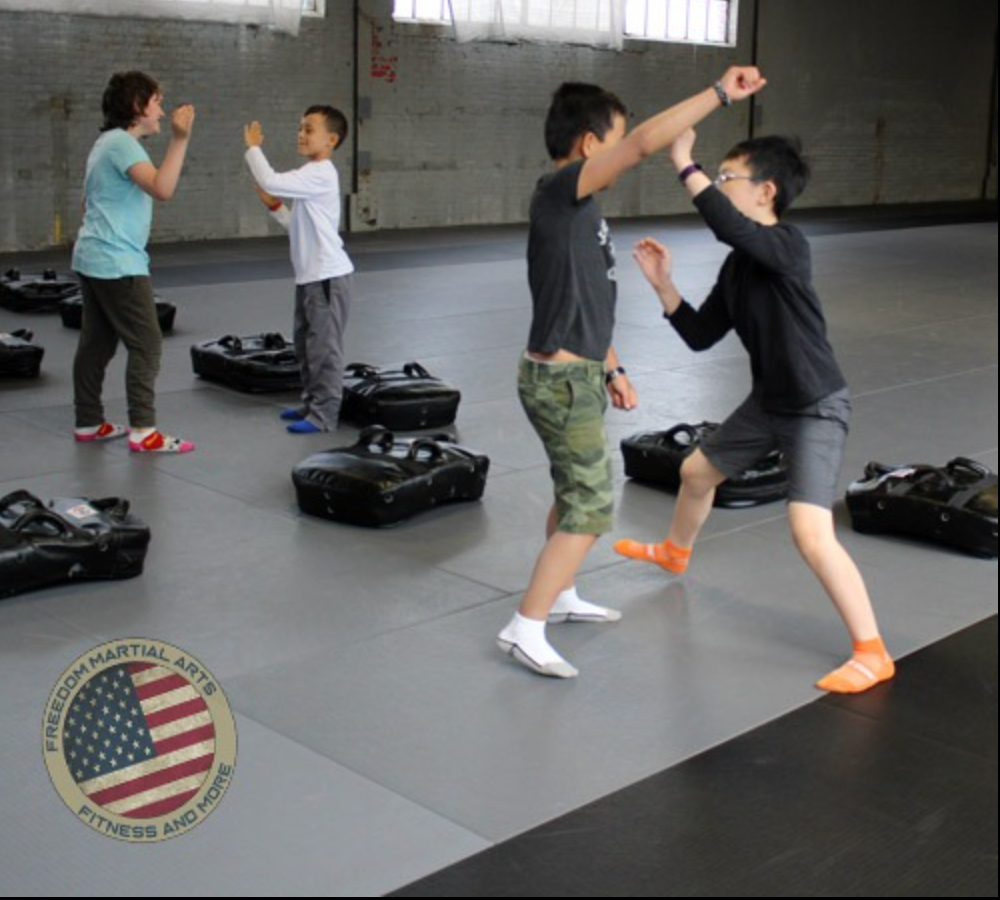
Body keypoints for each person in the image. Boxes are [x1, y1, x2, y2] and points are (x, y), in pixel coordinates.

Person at [497, 69, 767, 679]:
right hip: (559, 384)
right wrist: (720, 94)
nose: (624, 155)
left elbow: (587, 300)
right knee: (591, 506)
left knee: (573, 493)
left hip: (583, 374)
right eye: (615, 142)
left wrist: (613, 366)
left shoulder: (583, 211)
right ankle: (525, 626)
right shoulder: (560, 190)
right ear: (591, 145)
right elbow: (645, 142)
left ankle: (558, 596)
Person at [614, 131, 894, 694]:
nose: (717, 188)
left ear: (765, 191)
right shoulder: (738, 268)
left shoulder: (789, 245)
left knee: (810, 532)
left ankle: (873, 651)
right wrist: (664, 286)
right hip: (768, 403)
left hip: (815, 405)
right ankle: (675, 552)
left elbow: (726, 224)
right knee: (695, 472)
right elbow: (699, 334)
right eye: (714, 179)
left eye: (726, 179)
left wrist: (682, 162)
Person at [72, 70, 196, 453]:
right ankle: (144, 431)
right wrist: (181, 138)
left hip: (93, 258)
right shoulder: (123, 144)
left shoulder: (104, 144)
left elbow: (86, 204)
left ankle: (89, 422)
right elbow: (162, 188)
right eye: (156, 102)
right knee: (147, 344)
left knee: (97, 343)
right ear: (137, 106)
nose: (161, 110)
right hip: (117, 264)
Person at [243, 106, 354, 434]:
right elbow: (297, 225)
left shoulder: (321, 173)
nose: (301, 134)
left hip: (327, 278)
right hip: (309, 278)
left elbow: (270, 179)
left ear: (331, 139)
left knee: (324, 349)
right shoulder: (311, 175)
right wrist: (275, 207)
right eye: (300, 128)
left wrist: (253, 147)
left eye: (309, 129)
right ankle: (311, 402)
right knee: (305, 345)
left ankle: (324, 415)